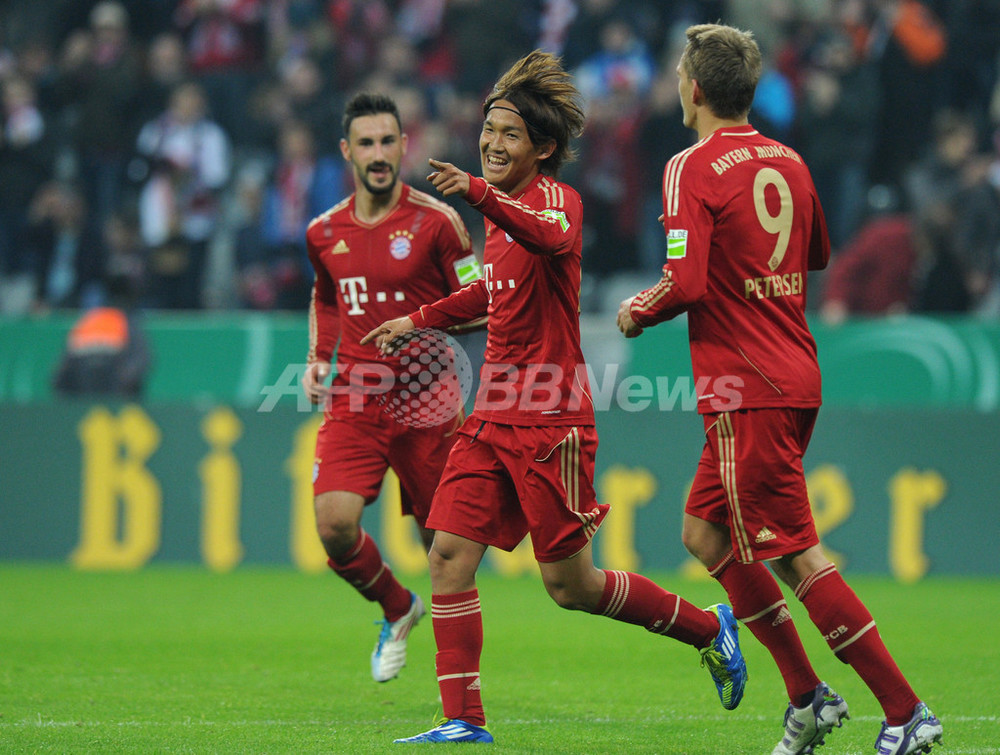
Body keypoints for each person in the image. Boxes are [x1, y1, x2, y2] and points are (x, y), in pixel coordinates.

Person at [362, 50, 747, 745]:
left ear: (542, 147)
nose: (492, 143)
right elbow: (489, 289)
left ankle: (707, 626)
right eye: (489, 131)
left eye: (509, 134)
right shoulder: (501, 217)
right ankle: (462, 719)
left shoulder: (553, 203)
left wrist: (479, 195)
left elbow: (546, 237)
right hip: (491, 414)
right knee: (448, 552)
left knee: (572, 585)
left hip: (552, 419)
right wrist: (415, 319)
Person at [616, 23, 942, 755]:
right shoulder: (788, 160)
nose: (675, 85)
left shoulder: (690, 167)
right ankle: (808, 695)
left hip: (747, 386)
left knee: (794, 552)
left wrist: (638, 310)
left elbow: (687, 280)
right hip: (794, 370)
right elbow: (818, 252)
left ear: (694, 88)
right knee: (704, 532)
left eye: (678, 74)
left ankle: (905, 709)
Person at [302, 92, 483, 684]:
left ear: (404, 145)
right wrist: (316, 358)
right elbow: (326, 296)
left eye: (388, 141)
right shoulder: (324, 232)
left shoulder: (439, 222)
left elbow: (481, 303)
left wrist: (421, 324)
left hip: (429, 400)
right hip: (355, 394)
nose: (378, 154)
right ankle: (397, 608)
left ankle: (457, 695)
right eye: (366, 143)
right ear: (346, 151)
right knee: (333, 525)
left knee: (444, 548)